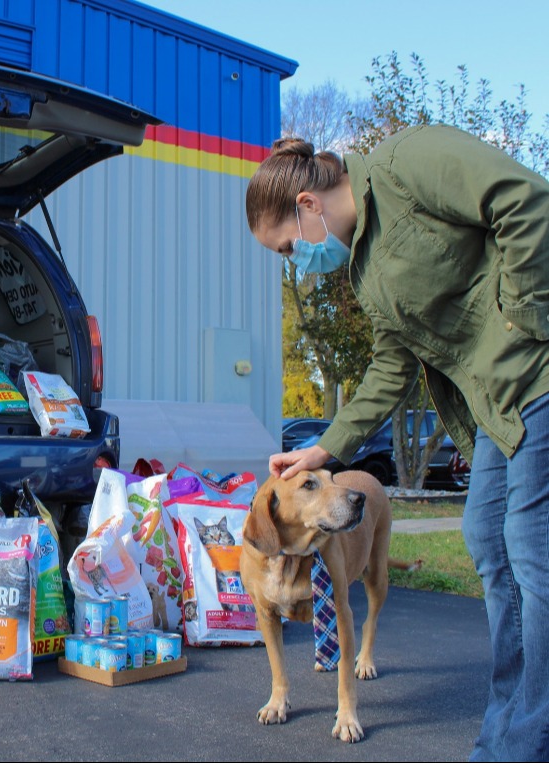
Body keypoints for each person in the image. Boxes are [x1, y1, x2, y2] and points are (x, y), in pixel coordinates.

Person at [245, 123, 549, 761]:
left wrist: (524, 320)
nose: (294, 263)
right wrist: (322, 450)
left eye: (285, 250)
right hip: (497, 404)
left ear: (308, 207)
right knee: (487, 540)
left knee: (527, 547)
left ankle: (524, 743)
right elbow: (392, 369)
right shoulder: (365, 272)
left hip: (538, 369)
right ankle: (509, 734)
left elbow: (525, 201)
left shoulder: (409, 163)